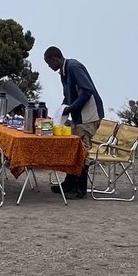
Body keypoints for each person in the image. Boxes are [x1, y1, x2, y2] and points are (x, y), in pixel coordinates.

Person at [43, 46, 104, 199]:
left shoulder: (73, 67)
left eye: (49, 63)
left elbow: (87, 90)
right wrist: (62, 108)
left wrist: (72, 108)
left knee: (82, 150)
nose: (49, 67)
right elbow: (68, 95)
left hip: (88, 116)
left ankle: (80, 189)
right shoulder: (63, 72)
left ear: (54, 59)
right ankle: (69, 184)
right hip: (78, 116)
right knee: (73, 149)